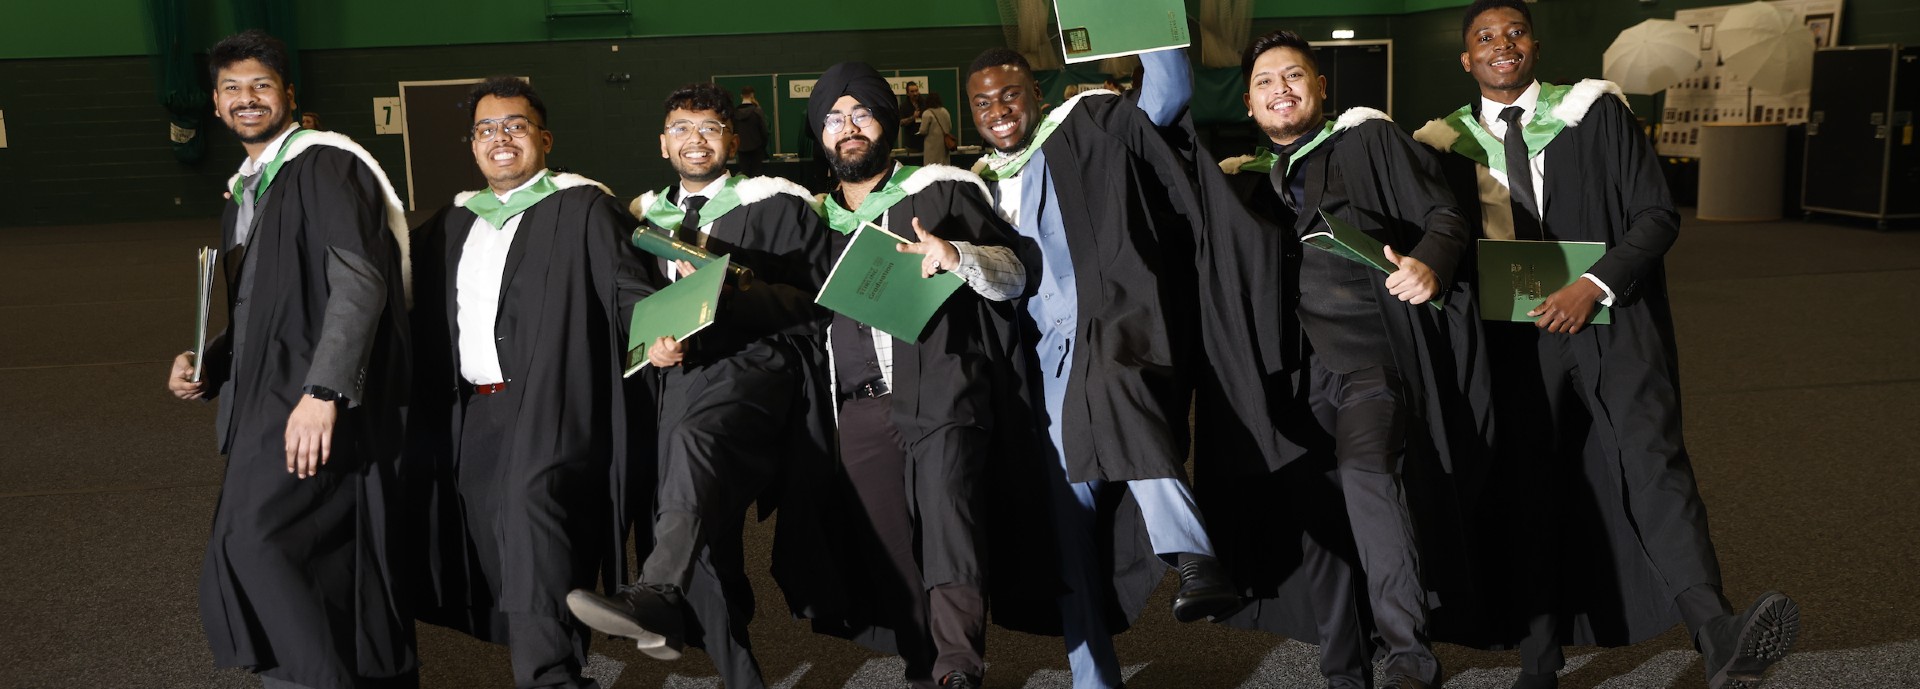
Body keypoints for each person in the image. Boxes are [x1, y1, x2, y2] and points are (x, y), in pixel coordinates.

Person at [1413, 2, 1800, 687]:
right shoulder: (1446, 144)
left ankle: (1717, 632)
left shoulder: (1594, 114)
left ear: (1534, 44)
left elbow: (1655, 215)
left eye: (1514, 33)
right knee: (1528, 488)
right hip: (1513, 343)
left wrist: (1592, 284)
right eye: (1485, 38)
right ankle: (1540, 658)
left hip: (1612, 323)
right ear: (1466, 59)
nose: (1502, 45)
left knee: (1655, 464)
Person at [1197, 29, 1494, 689]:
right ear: (1248, 103)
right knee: (1319, 524)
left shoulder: (1370, 141)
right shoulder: (1241, 183)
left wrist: (1429, 265)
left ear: (1321, 87)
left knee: (1367, 471)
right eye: (1266, 81)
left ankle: (1411, 658)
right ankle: (1345, 673)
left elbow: (1445, 217)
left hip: (1369, 360)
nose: (1282, 89)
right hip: (1290, 380)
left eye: (1295, 76)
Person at [964, 46, 1239, 689]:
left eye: (1010, 94)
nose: (999, 111)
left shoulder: (1088, 124)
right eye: (983, 103)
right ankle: (1094, 678)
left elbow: (1165, 96)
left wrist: (1145, 28)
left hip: (1113, 324)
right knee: (1067, 526)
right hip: (1040, 367)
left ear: (1037, 91)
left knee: (1117, 390)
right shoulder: (975, 183)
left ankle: (1194, 553)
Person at [166, 29, 416, 689]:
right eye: (231, 89)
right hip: (266, 397)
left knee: (258, 541)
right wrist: (210, 363)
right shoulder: (248, 191)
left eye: (260, 86)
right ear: (216, 106)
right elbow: (262, 308)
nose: (246, 99)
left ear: (288, 95)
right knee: (315, 552)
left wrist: (324, 391)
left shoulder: (324, 165)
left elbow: (360, 280)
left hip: (307, 397)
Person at [563, 82, 830, 689]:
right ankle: (730, 666)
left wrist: (729, 291)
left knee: (691, 456)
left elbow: (813, 305)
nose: (695, 140)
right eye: (682, 128)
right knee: (694, 529)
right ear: (663, 143)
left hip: (750, 367)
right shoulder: (639, 217)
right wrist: (651, 343)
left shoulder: (774, 204)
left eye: (710, 128)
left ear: (732, 140)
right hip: (671, 378)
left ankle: (656, 592)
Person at [775, 61, 1030, 689]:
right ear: (821, 135)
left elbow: (1015, 274)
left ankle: (958, 665)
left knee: (949, 517)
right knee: (888, 546)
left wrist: (956, 253)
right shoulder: (805, 220)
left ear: (887, 122)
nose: (849, 127)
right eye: (834, 119)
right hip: (855, 408)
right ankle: (925, 667)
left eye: (861, 113)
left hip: (938, 384)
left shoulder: (940, 190)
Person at [406, 76, 650, 689]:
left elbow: (628, 292)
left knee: (530, 528)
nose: (501, 139)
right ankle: (557, 663)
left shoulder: (582, 207)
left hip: (552, 406)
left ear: (543, 137)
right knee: (504, 546)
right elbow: (384, 274)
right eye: (486, 129)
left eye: (515, 125)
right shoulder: (455, 221)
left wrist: (659, 335)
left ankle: (551, 679)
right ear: (472, 145)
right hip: (477, 414)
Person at [733, 86, 769, 177]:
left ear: (741, 96)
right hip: (757, 149)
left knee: (744, 175)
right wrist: (763, 146)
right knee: (756, 176)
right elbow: (764, 131)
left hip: (741, 149)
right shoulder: (757, 111)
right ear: (752, 95)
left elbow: (733, 131)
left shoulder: (735, 113)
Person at [917, 92, 954, 166]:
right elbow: (950, 126)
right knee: (944, 168)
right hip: (944, 147)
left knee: (931, 169)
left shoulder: (927, 113)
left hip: (931, 147)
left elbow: (923, 130)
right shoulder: (945, 111)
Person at [899, 80, 926, 151]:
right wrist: (913, 117)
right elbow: (901, 122)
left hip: (925, 142)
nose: (915, 93)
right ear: (907, 93)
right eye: (912, 91)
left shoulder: (924, 103)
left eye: (916, 91)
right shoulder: (904, 106)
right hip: (911, 144)